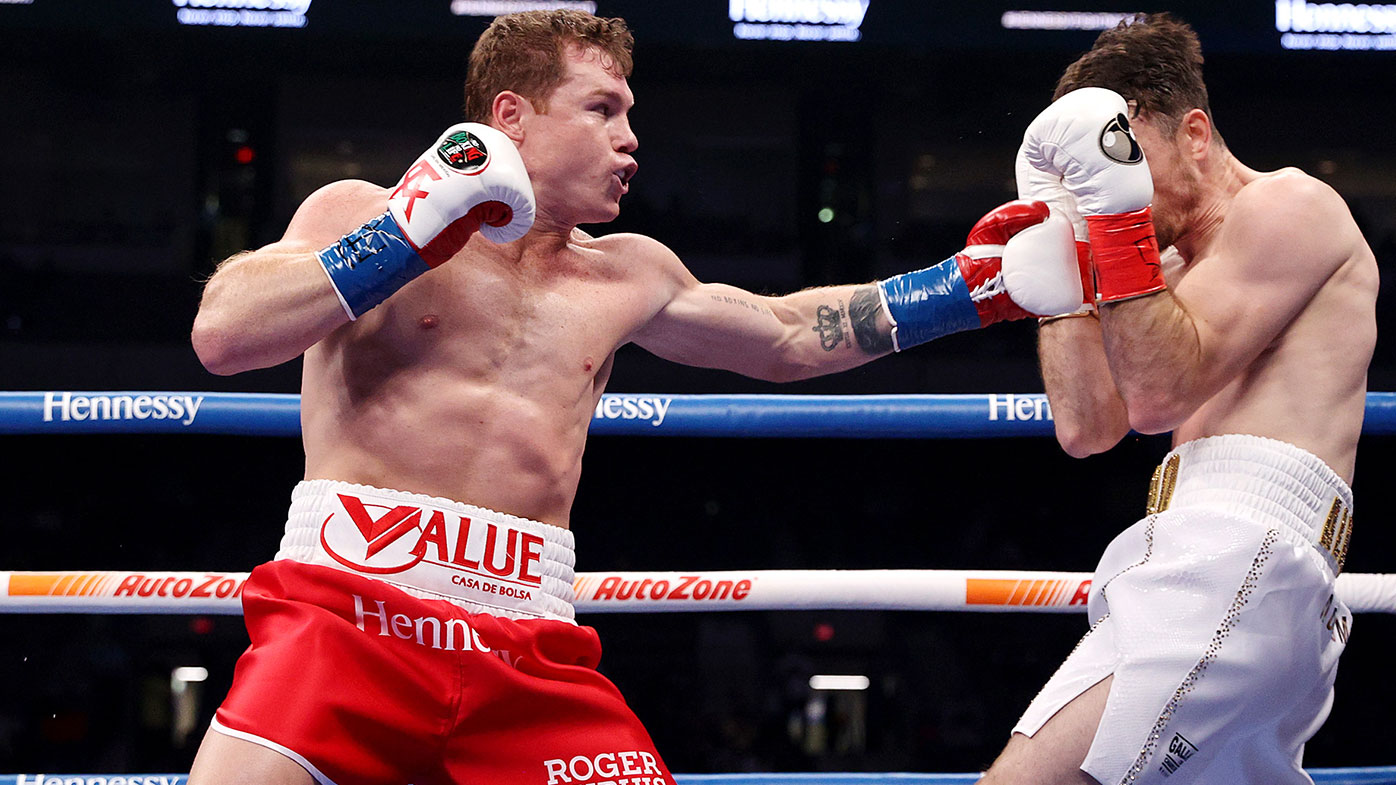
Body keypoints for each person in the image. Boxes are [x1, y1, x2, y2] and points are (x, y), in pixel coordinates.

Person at [188, 10, 1081, 785]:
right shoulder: (361, 210)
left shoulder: (630, 272)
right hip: (347, 611)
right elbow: (224, 333)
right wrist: (403, 239)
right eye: (602, 110)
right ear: (513, 118)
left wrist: (970, 288)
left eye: (629, 115)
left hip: (524, 641)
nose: (630, 140)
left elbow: (785, 336)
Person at [980, 13, 1378, 785]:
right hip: (1192, 553)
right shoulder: (1151, 266)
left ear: (1193, 133)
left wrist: (1115, 228)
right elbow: (1089, 427)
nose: (1106, 188)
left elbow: (1159, 394)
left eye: (1124, 156)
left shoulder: (1290, 207)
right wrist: (1063, 288)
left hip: (1244, 554)